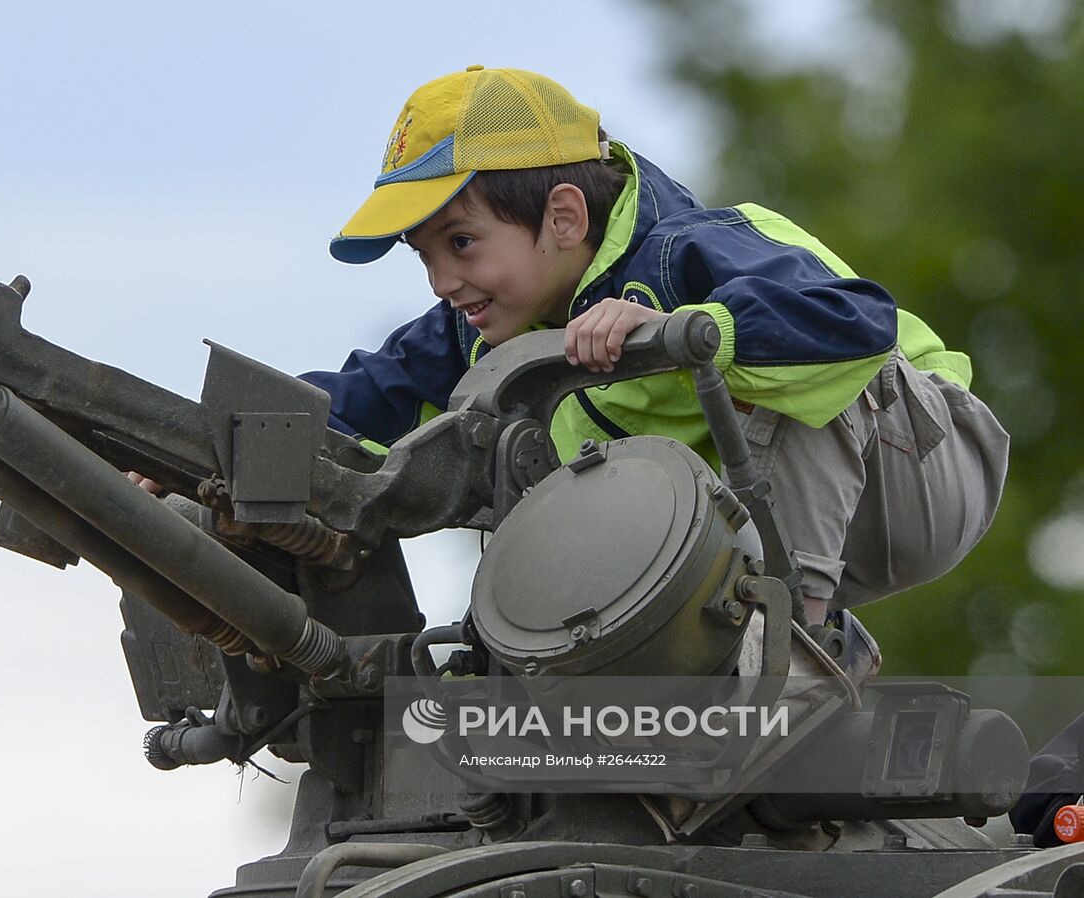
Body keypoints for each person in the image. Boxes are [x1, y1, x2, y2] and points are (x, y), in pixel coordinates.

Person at [291, 65, 1010, 639]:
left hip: (922, 467)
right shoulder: (482, 330)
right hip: (780, 520)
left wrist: (690, 330)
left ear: (565, 217)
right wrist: (206, 445)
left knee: (787, 366)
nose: (444, 281)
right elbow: (367, 400)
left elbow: (857, 324)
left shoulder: (690, 251)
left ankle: (796, 654)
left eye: (462, 243)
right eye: (425, 258)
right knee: (521, 459)